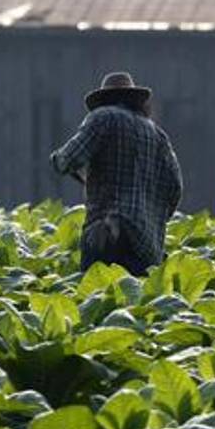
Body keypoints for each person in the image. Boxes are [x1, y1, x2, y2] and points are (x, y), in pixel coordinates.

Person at [50, 71, 182, 276]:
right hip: (146, 246)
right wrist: (152, 219)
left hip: (107, 234)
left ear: (104, 99)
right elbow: (175, 189)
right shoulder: (158, 135)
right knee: (137, 303)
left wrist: (57, 159)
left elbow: (69, 159)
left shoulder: (103, 117)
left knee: (100, 299)